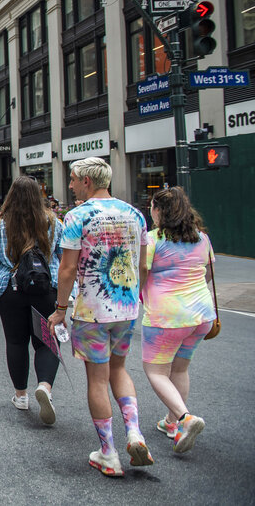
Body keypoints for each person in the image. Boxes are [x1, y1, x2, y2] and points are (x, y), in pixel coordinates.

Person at [48, 157, 153, 478]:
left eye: (73, 180)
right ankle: (134, 432)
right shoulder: (135, 214)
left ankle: (108, 452)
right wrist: (137, 294)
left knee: (97, 378)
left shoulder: (77, 216)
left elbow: (66, 269)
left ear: (86, 182)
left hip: (92, 308)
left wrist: (60, 309)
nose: (70, 185)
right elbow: (144, 264)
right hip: (126, 305)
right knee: (120, 369)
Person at [140, 187, 216, 453]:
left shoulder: (152, 240)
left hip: (166, 316)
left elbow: (142, 273)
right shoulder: (201, 238)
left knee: (156, 371)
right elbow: (207, 274)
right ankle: (171, 422)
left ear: (159, 211)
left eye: (152, 207)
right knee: (180, 369)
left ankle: (185, 419)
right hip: (201, 315)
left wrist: (141, 294)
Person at [0, 176, 64, 425]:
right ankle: (45, 387)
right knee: (46, 342)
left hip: (11, 290)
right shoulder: (53, 223)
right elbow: (61, 259)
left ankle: (21, 395)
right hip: (44, 288)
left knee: (16, 342)